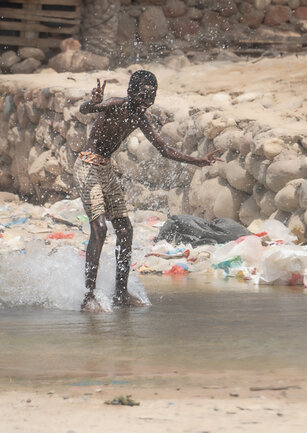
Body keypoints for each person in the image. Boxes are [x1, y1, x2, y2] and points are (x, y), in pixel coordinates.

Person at [74, 70, 222, 312]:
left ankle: (120, 294)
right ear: (130, 92)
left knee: (125, 229)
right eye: (143, 95)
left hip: (105, 169)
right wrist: (92, 102)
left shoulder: (140, 118)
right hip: (87, 165)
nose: (147, 101)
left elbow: (164, 149)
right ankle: (88, 297)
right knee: (99, 228)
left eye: (152, 96)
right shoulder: (114, 105)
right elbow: (85, 110)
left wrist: (198, 160)